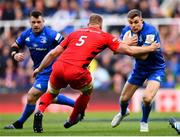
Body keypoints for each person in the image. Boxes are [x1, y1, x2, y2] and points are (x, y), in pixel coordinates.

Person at [32, 13, 160, 133]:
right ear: (101, 26)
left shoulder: (75, 33)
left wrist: (39, 68)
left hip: (59, 66)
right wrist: (150, 48)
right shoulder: (104, 35)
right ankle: (73, 118)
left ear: (88, 25)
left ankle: (39, 111)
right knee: (87, 90)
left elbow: (53, 53)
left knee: (51, 93)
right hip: (76, 70)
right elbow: (129, 51)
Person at [4, 10, 75, 129]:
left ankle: (19, 123)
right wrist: (14, 55)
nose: (36, 24)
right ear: (30, 22)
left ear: (43, 22)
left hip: (51, 70)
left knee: (32, 95)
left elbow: (67, 45)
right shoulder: (26, 34)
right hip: (39, 71)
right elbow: (14, 46)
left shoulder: (51, 34)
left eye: (38, 22)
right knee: (49, 97)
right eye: (33, 22)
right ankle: (78, 106)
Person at [111, 9, 166, 132]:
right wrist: (129, 46)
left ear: (141, 20)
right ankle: (123, 112)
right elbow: (115, 50)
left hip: (155, 69)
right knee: (123, 99)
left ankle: (144, 122)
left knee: (147, 98)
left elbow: (143, 56)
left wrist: (126, 47)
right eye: (131, 22)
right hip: (139, 69)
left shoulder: (151, 31)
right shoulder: (126, 31)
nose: (133, 25)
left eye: (136, 22)